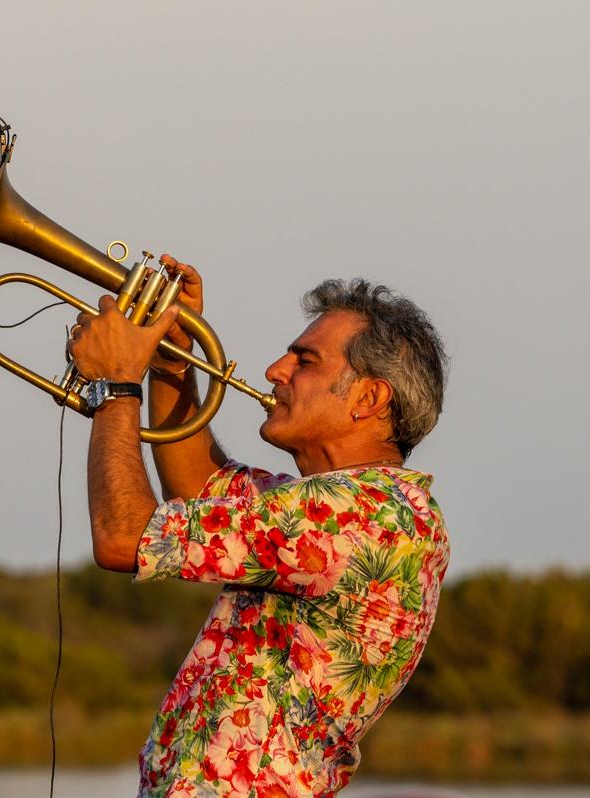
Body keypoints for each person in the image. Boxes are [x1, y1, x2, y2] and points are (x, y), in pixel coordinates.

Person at [65, 256, 450, 798]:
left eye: (305, 361)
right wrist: (170, 362)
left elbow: (123, 537)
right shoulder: (339, 506)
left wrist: (116, 384)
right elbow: (200, 488)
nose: (275, 370)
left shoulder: (355, 514)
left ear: (369, 398)